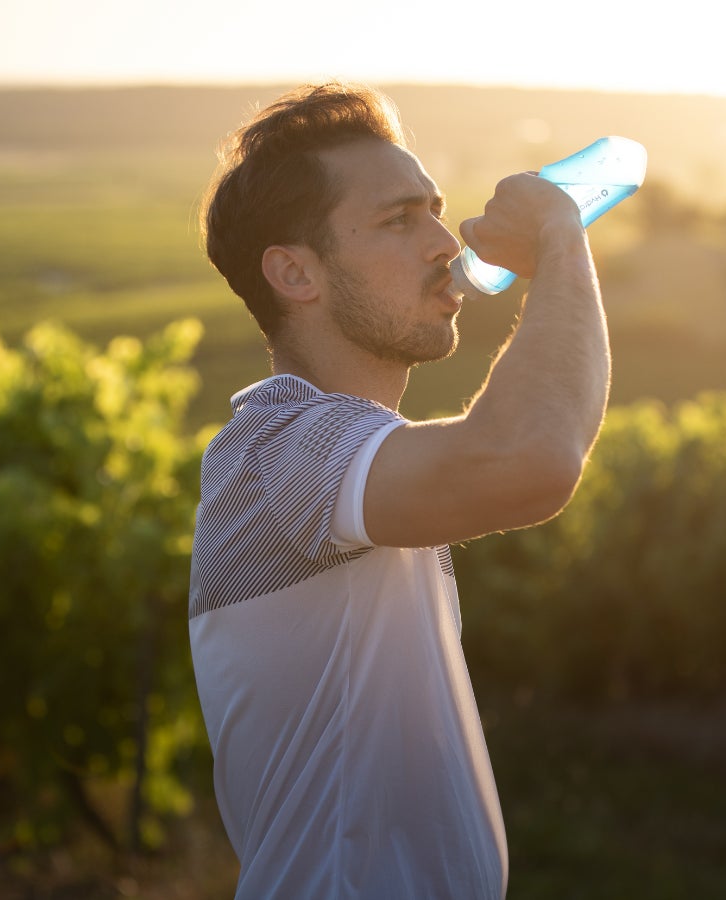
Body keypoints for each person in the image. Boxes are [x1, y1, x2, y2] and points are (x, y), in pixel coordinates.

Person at [188, 82, 610, 899]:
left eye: (436, 211)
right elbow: (533, 457)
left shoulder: (361, 473)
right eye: (398, 219)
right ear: (295, 274)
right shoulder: (279, 447)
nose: (445, 244)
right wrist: (559, 237)